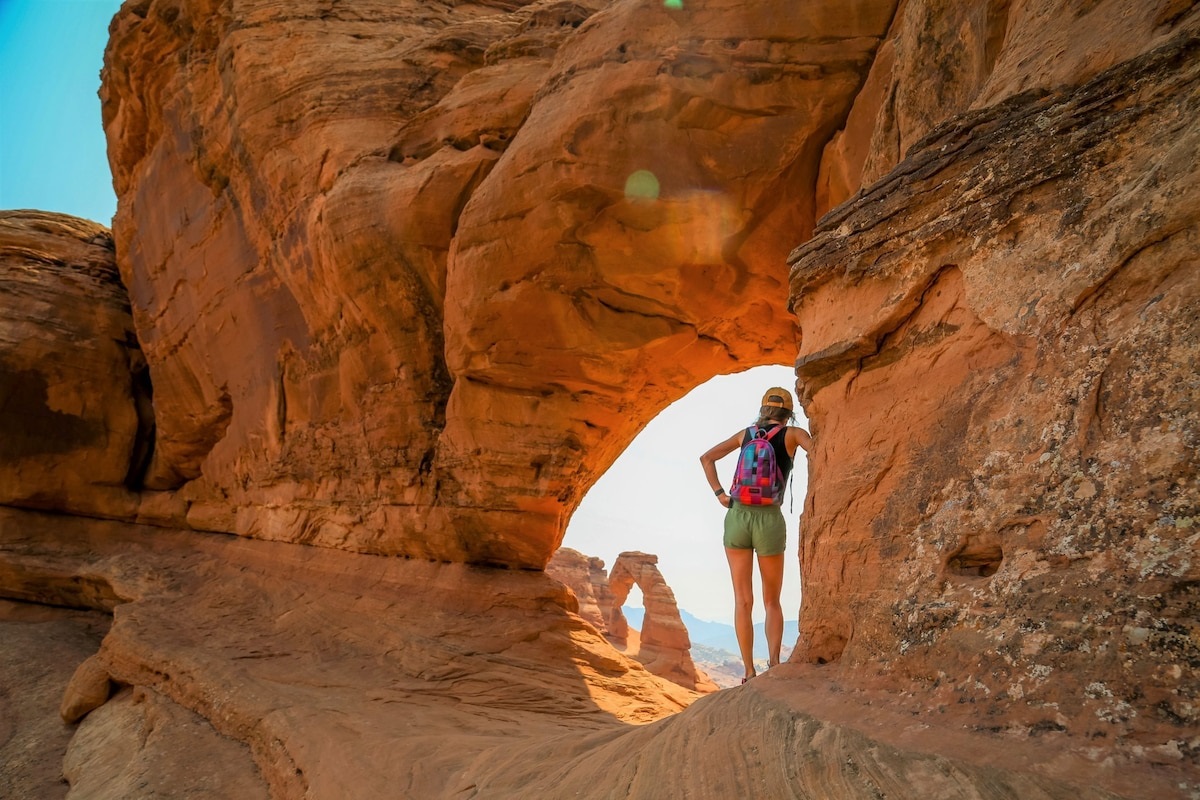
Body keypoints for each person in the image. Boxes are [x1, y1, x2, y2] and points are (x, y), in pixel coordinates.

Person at [699, 386, 811, 684]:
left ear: (763, 410)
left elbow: (706, 458)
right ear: (789, 413)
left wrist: (720, 494)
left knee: (742, 600)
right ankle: (773, 664)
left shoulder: (744, 435)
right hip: (768, 520)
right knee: (771, 600)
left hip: (736, 517)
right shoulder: (794, 435)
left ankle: (748, 672)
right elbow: (824, 451)